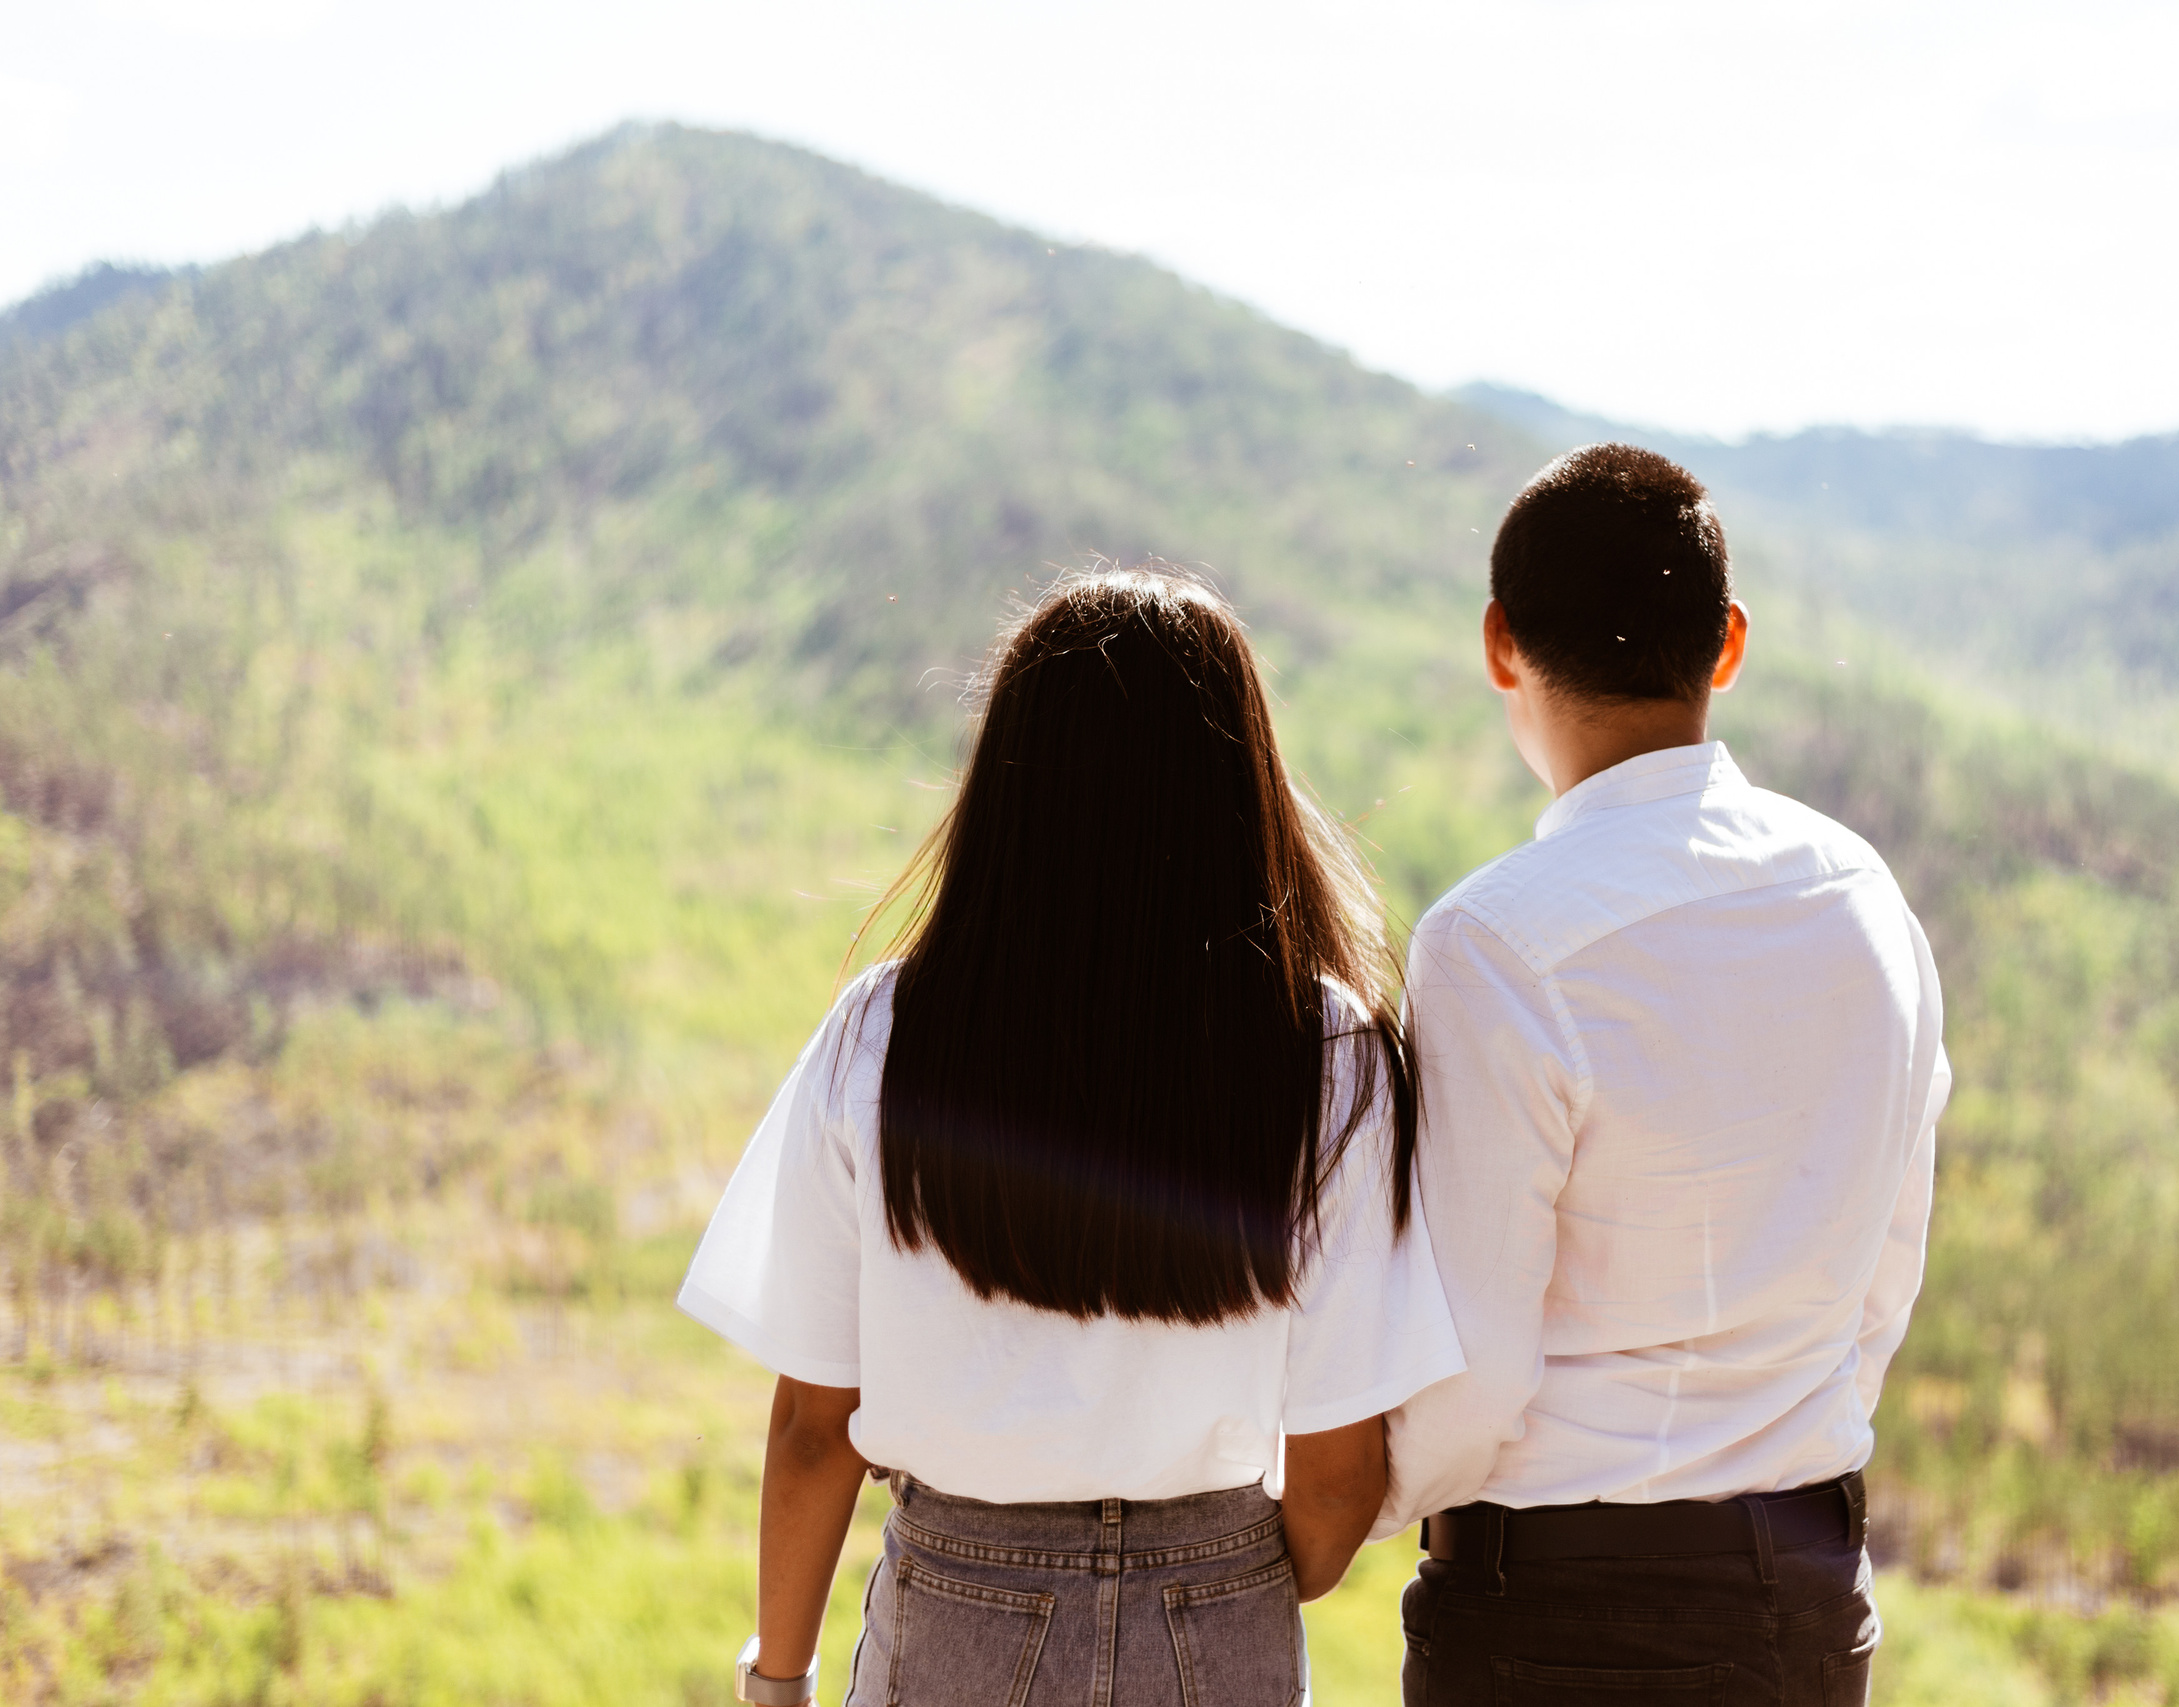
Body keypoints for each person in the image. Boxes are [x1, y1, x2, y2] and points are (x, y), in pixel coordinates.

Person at [676, 566, 1464, 1707]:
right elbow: (1340, 1482)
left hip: (956, 1616)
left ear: (1009, 784)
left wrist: (778, 1681)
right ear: (1240, 785)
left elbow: (812, 1429)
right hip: (1219, 1618)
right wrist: (1212, 1589)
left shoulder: (884, 1034)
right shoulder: (1329, 1051)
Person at [1384, 445, 1949, 1706]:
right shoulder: (1862, 895)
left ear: (1499, 642)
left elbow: (1476, 1363)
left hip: (1555, 1611)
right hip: (1808, 1591)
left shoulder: (1493, 942)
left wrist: (1341, 1507)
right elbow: (1886, 1262)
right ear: (1728, 642)